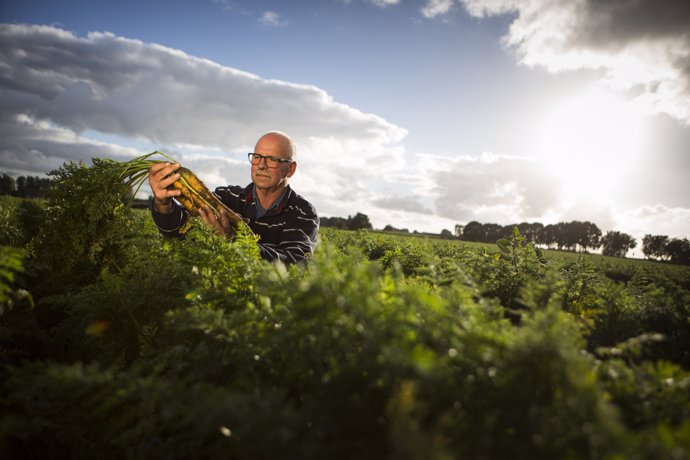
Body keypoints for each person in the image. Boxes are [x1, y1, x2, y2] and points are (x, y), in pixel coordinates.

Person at [148, 131, 319, 264]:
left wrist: (235, 243)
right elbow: (179, 231)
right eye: (257, 157)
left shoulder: (302, 212)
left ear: (290, 169)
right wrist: (163, 204)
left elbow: (296, 263)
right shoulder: (226, 197)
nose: (261, 165)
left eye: (272, 159)